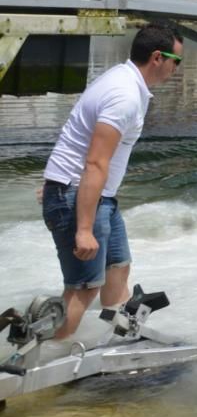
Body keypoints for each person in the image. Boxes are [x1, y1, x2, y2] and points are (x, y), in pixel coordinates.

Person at [41, 23, 183, 339]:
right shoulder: (125, 95)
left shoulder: (122, 79)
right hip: (80, 196)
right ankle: (32, 365)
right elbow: (95, 161)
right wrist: (83, 228)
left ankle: (121, 338)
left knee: (118, 267)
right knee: (84, 289)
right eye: (177, 61)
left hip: (88, 194)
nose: (177, 69)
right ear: (158, 57)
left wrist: (56, 181)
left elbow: (77, 132)